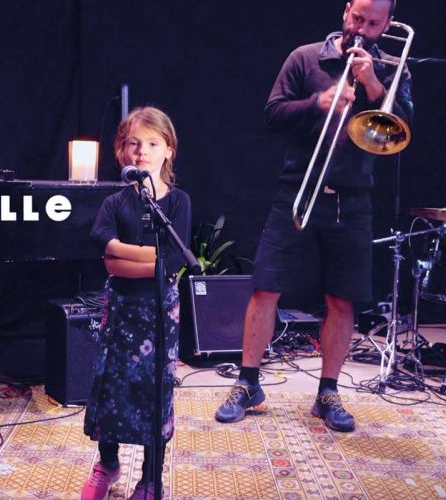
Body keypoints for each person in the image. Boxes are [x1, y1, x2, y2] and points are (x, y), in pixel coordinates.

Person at [214, 0, 412, 432]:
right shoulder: (305, 58)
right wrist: (317, 103)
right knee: (265, 288)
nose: (362, 28)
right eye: (357, 18)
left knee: (341, 298)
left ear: (388, 24)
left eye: (373, 23)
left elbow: (401, 128)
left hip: (353, 199)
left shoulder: (392, 67)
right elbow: (272, 114)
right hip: (297, 191)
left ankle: (328, 391)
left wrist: (373, 85)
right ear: (346, 10)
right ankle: (247, 383)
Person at [80, 107, 190, 500]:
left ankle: (150, 477)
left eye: (153, 143)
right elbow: (108, 257)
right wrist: (150, 257)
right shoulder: (115, 202)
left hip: (160, 312)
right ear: (122, 151)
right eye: (134, 143)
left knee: (154, 391)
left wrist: (131, 256)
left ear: (169, 150)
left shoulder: (177, 203)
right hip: (122, 310)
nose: (142, 151)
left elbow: (172, 264)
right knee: (112, 386)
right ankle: (107, 463)